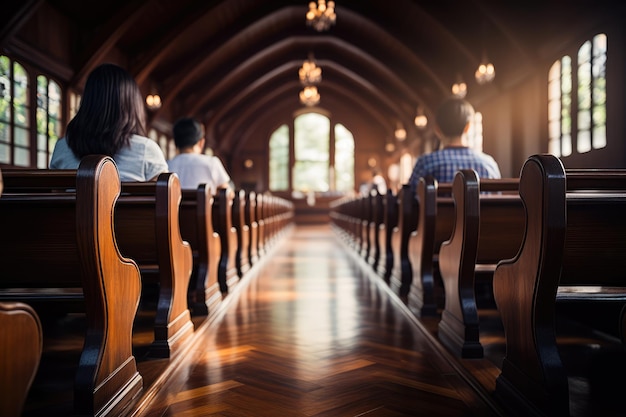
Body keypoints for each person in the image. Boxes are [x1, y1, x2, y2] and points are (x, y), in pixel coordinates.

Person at [50, 63, 168, 181]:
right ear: (132, 105)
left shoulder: (62, 147)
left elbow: (53, 194)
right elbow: (164, 196)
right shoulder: (146, 149)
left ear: (87, 102)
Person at [408, 97, 501, 187]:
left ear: (437, 130)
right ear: (467, 127)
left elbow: (409, 198)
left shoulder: (425, 164)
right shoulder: (489, 164)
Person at [167, 117, 231, 194]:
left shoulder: (166, 165)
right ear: (201, 142)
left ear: (175, 142)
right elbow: (227, 193)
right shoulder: (212, 163)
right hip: (203, 206)